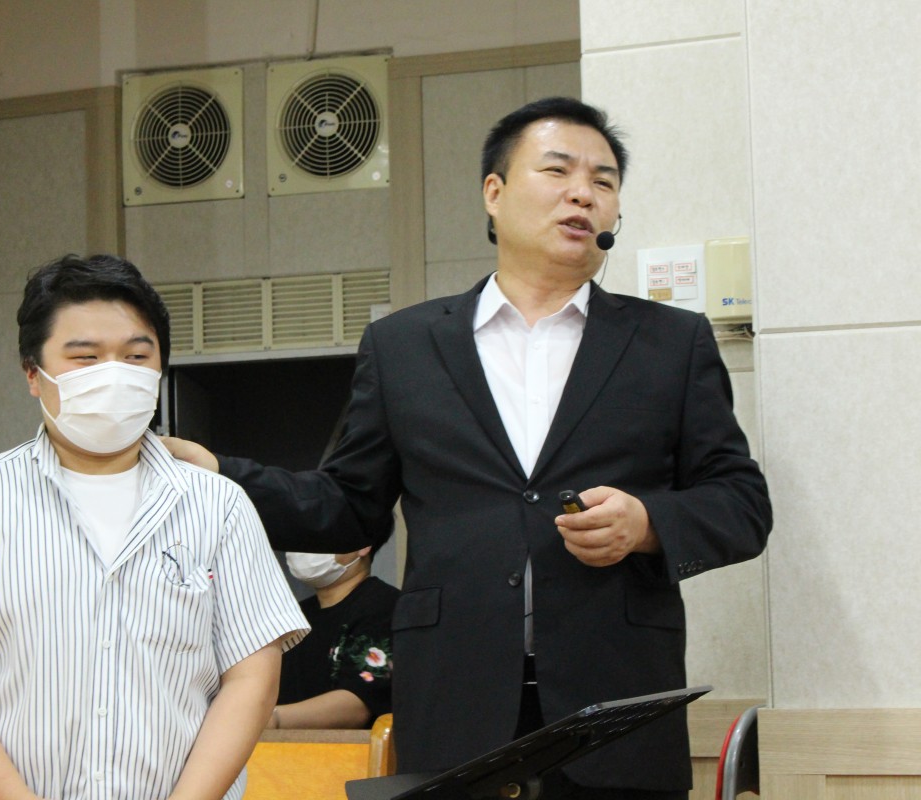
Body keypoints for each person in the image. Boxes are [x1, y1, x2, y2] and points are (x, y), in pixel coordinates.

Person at [163, 97, 773, 798]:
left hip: (617, 707)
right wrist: (221, 473)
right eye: (558, 171)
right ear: (494, 192)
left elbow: (742, 504)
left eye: (603, 181)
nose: (583, 193)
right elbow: (349, 505)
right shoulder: (404, 346)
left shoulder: (670, 342)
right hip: (455, 706)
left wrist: (646, 524)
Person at [0, 254, 308, 800]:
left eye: (136, 356)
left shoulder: (218, 505)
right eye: (85, 357)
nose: (114, 373)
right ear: (34, 374)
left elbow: (251, 679)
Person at [270, 547, 398, 730]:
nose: (303, 545)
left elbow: (357, 705)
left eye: (317, 534)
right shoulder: (292, 617)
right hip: (277, 746)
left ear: (363, 545)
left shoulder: (385, 606)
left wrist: (271, 719)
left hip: (349, 747)